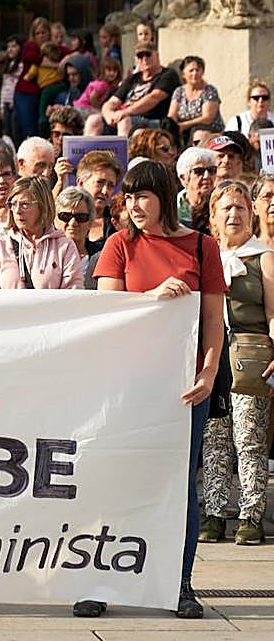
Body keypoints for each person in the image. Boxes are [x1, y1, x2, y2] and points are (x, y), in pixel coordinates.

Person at [81, 160, 226, 620]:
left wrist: (208, 373)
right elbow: (111, 314)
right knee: (114, 478)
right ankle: (98, 579)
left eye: (143, 195)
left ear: (164, 196)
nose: (134, 205)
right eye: (129, 197)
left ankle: (178, 583)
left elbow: (211, 321)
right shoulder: (119, 245)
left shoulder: (203, 247)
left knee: (178, 485)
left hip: (182, 389)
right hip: (125, 384)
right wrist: (151, 299)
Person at [200, 181, 273, 546]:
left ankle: (250, 514)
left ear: (251, 214)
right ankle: (214, 512)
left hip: (250, 357)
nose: (234, 214)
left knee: (249, 439)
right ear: (213, 217)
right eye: (226, 208)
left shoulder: (263, 257)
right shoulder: (206, 255)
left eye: (241, 208)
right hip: (214, 357)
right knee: (214, 439)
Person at [0, 176, 83, 289]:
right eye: (13, 204)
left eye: (25, 204)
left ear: (42, 206)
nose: (17, 211)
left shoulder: (64, 247)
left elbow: (73, 293)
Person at [168, 56, 224, 140]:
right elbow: (172, 115)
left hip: (207, 130)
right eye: (191, 70)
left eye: (197, 70)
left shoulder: (209, 91)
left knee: (199, 134)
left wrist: (185, 125)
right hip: (184, 131)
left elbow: (207, 118)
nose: (195, 73)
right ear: (183, 74)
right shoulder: (179, 91)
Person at [55, 186, 100, 288]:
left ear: (90, 221)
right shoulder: (43, 253)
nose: (73, 223)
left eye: (81, 217)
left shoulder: (101, 255)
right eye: (65, 216)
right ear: (55, 220)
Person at [177, 146, 218, 230]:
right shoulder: (171, 209)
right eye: (198, 171)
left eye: (211, 170)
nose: (206, 176)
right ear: (183, 178)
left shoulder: (221, 206)